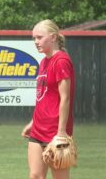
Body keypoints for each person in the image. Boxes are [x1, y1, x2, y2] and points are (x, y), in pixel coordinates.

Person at [21, 19, 75, 179]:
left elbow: (65, 98)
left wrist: (61, 132)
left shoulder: (61, 61)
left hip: (55, 130)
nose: (36, 42)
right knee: (35, 176)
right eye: (34, 38)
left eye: (39, 37)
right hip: (38, 128)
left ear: (52, 37)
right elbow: (43, 97)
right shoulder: (44, 61)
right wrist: (32, 123)